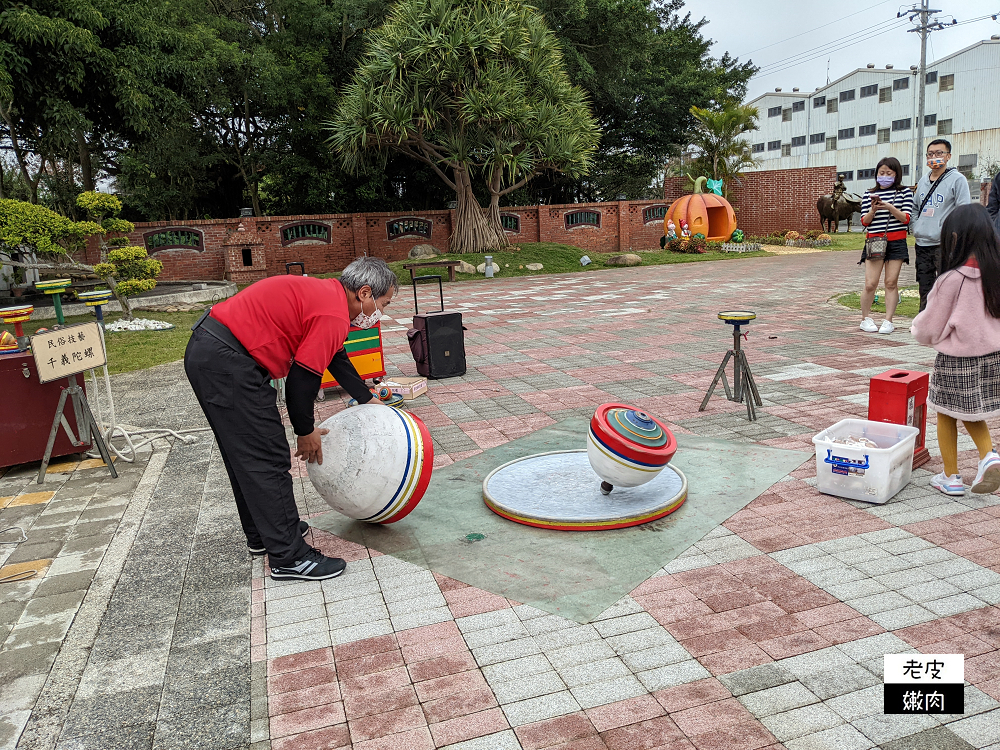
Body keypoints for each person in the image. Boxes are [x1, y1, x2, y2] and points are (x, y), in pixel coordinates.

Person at [184, 256, 398, 580]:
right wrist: (305, 429)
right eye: (384, 303)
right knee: (266, 456)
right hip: (227, 361)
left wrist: (370, 401)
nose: (382, 312)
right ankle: (289, 558)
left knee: (245, 455)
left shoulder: (329, 298)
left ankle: (265, 534)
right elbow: (303, 378)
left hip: (212, 351)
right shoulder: (332, 312)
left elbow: (335, 357)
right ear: (365, 293)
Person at [912, 204, 1000, 496]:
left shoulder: (952, 279)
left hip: (955, 359)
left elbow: (929, 326)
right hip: (992, 358)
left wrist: (918, 333)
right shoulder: (995, 275)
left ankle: (951, 476)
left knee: (945, 413)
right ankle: (989, 456)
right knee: (972, 411)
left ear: (953, 237)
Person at [911, 138, 971, 311]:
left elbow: (963, 211)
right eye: (930, 154)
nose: (934, 157)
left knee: (947, 285)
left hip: (945, 244)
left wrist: (953, 235)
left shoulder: (957, 180)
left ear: (948, 156)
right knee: (925, 286)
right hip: (922, 243)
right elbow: (915, 208)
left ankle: (948, 323)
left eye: (939, 153)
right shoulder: (923, 180)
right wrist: (916, 227)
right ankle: (925, 323)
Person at [857, 157, 914, 334]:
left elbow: (906, 219)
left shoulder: (905, 192)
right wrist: (873, 210)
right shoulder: (869, 194)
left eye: (889, 173)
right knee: (870, 283)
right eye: (881, 173)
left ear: (896, 174)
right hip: (874, 241)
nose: (884, 176)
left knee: (891, 282)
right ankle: (865, 318)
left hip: (896, 241)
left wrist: (889, 207)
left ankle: (888, 320)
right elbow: (864, 222)